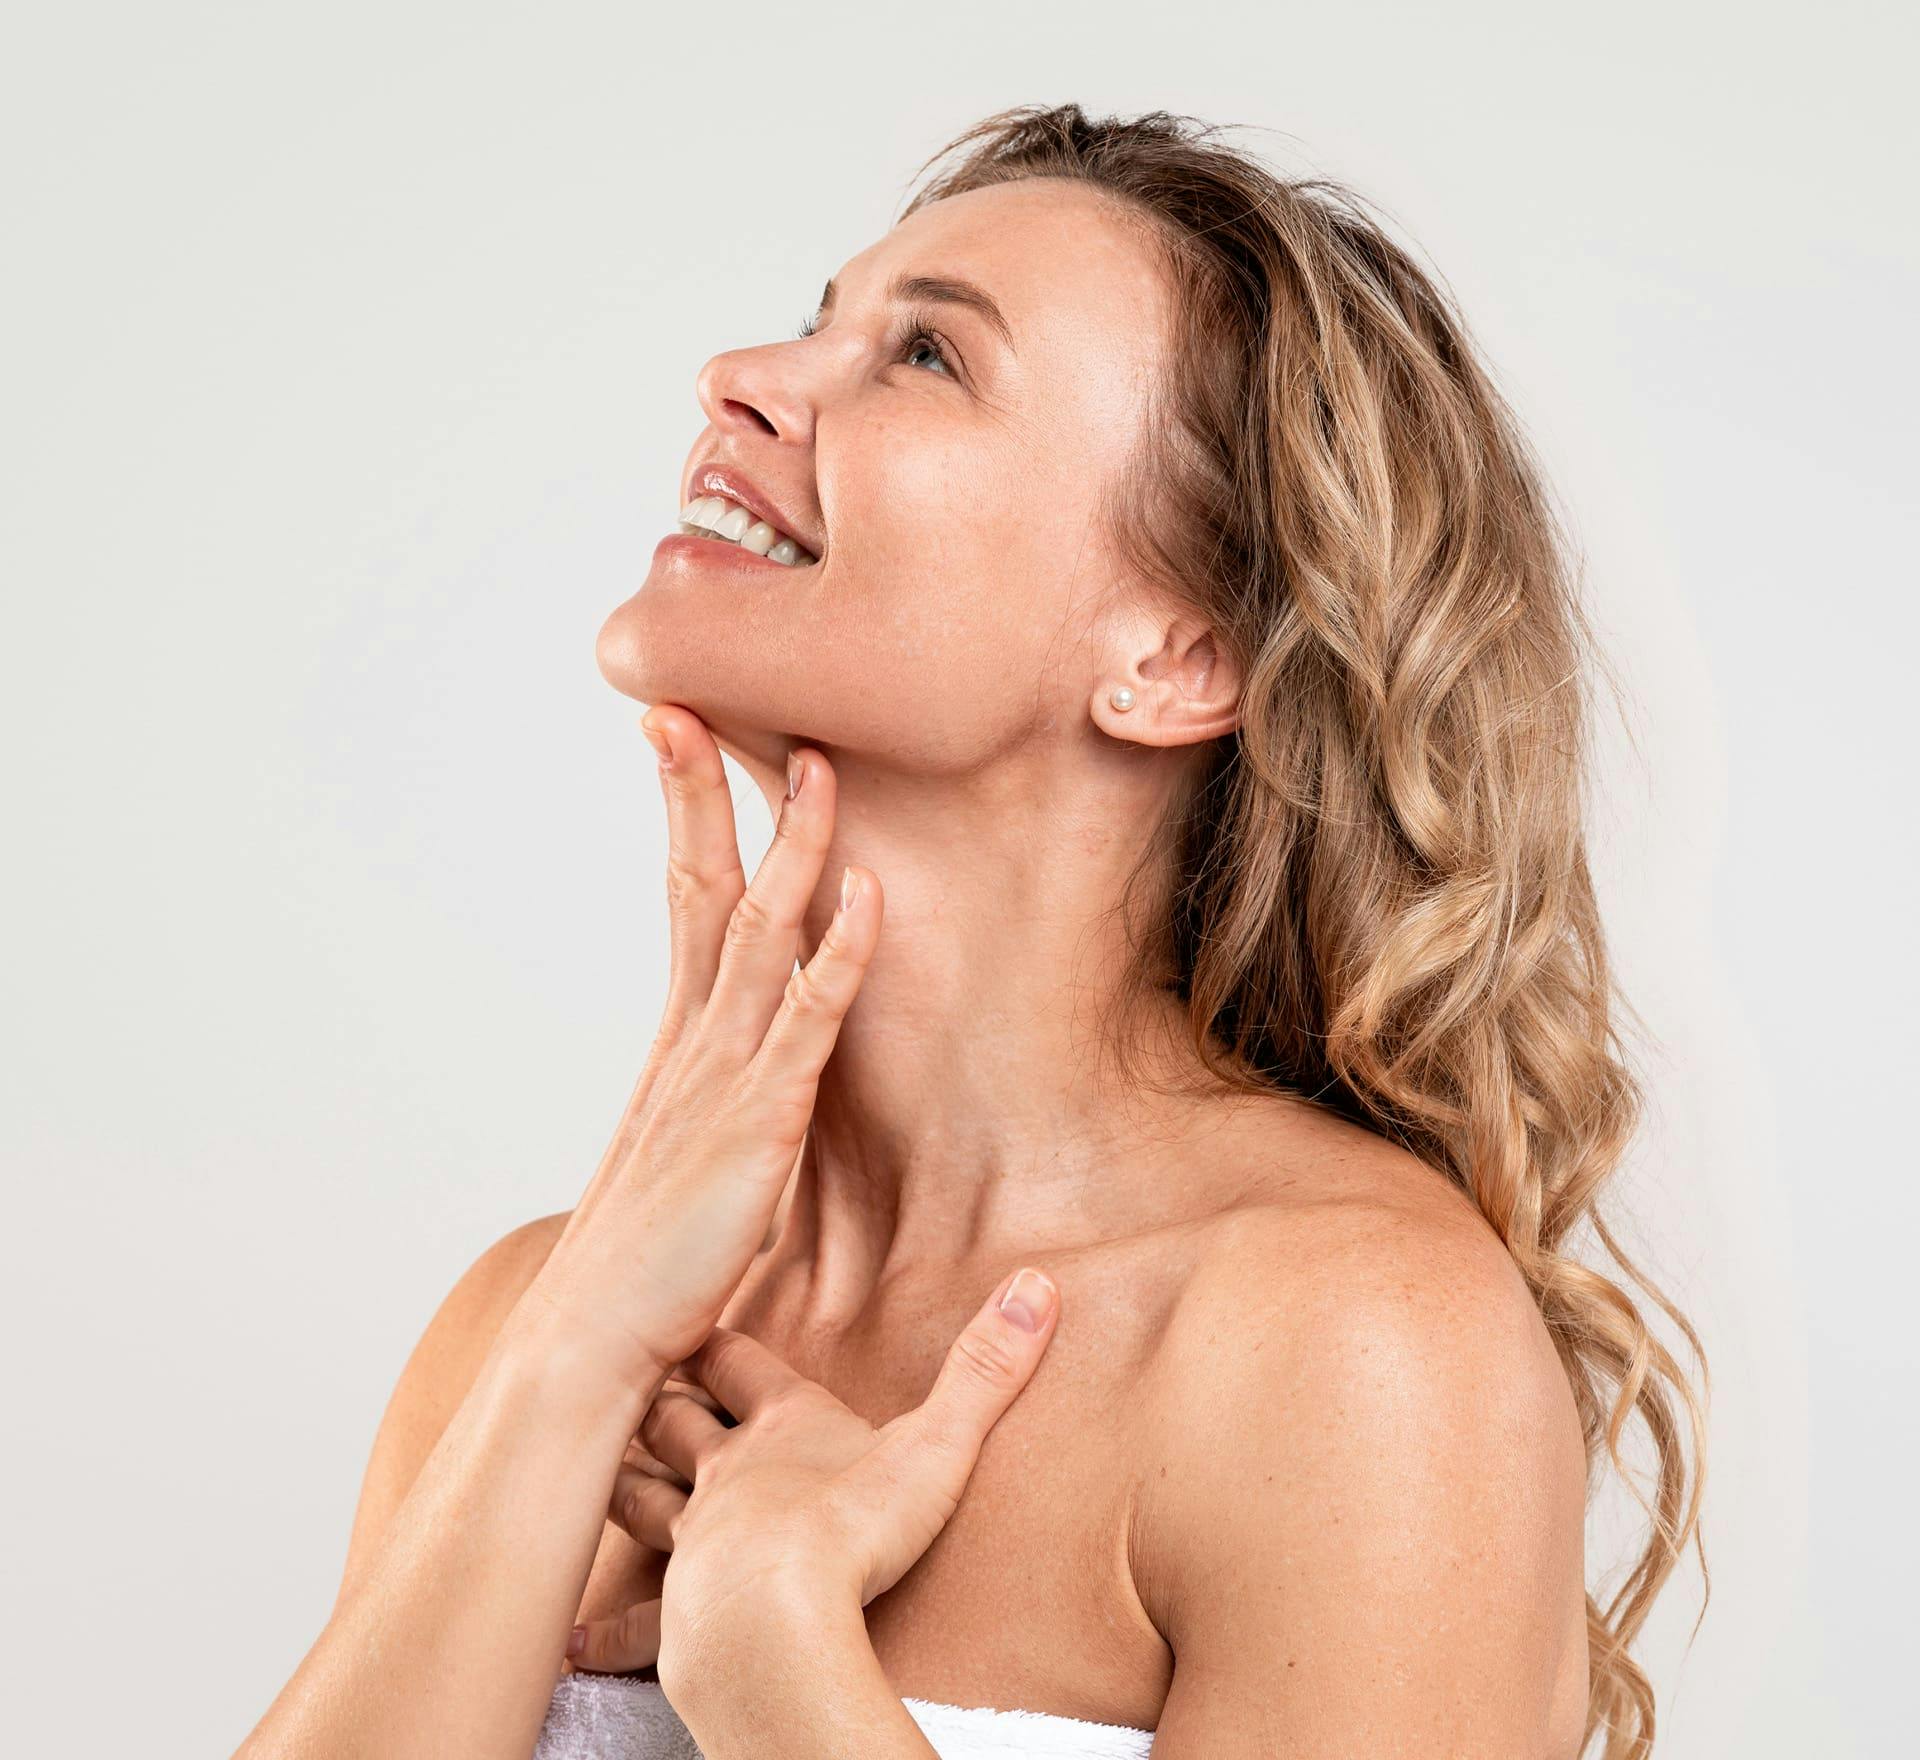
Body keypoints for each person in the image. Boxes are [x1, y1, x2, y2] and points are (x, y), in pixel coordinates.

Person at [233, 104, 1709, 1760]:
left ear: (1177, 654)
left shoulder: (1350, 1352)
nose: (743, 373)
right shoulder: (531, 1325)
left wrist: (779, 1664)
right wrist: (570, 1357)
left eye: (924, 356)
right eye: (819, 320)